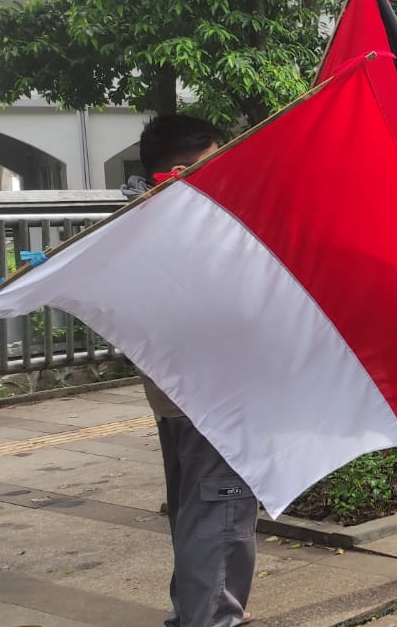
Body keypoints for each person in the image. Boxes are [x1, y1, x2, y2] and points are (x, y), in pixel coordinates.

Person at [134, 115, 257, 627]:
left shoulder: (140, 219)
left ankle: (190, 613)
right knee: (219, 522)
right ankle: (209, 619)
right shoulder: (179, 225)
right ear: (181, 171)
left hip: (180, 400)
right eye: (216, 163)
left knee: (196, 519)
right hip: (212, 403)